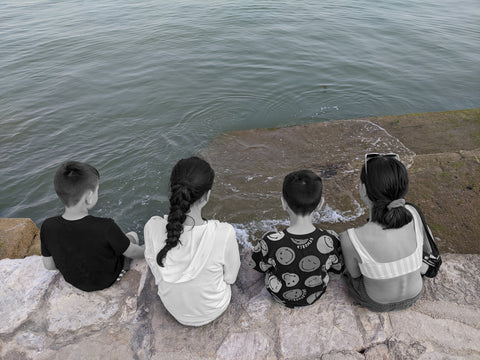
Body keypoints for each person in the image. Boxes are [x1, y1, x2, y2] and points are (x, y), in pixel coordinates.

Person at [144, 156, 240, 326]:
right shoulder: (223, 233)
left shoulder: (152, 227)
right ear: (207, 196)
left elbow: (155, 270)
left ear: (172, 190)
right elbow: (230, 278)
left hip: (173, 309)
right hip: (215, 308)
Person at [340, 153, 431, 312]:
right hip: (416, 293)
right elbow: (427, 250)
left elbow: (355, 275)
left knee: (347, 274)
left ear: (363, 189)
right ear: (403, 188)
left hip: (376, 302)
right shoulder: (414, 214)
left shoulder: (351, 237)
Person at [40, 160, 145, 292]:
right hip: (107, 280)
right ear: (89, 197)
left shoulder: (48, 226)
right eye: (97, 190)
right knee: (132, 236)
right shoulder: (106, 226)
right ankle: (125, 268)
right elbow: (133, 252)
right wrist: (149, 251)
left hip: (75, 282)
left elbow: (49, 265)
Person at [249, 170, 343, 308]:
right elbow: (336, 270)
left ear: (283, 203)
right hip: (315, 295)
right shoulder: (330, 238)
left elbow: (258, 266)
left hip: (281, 297)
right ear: (320, 204)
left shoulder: (270, 240)